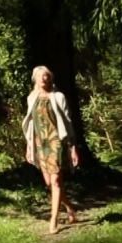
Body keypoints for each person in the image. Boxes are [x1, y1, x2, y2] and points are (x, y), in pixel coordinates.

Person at [22, 65, 80, 234]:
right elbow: (30, 124)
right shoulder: (31, 98)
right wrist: (29, 146)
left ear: (50, 78)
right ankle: (70, 207)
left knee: (56, 181)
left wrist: (72, 147)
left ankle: (53, 219)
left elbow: (67, 123)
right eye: (40, 76)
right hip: (41, 143)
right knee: (49, 183)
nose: (43, 78)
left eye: (46, 76)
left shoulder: (58, 97)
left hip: (56, 142)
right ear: (35, 79)